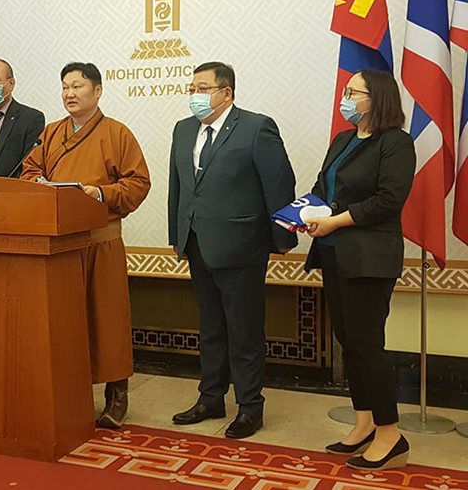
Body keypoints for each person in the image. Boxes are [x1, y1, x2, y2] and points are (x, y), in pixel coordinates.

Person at [168, 62, 297, 439]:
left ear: (226, 93)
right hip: (197, 242)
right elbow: (178, 185)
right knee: (210, 327)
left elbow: (279, 183)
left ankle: (250, 406)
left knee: (244, 331)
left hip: (242, 246)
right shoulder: (183, 129)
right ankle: (211, 398)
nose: (195, 95)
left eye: (203, 88)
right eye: (192, 88)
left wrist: (282, 238)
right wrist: (177, 234)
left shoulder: (256, 127)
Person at [21, 62, 151, 428]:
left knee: (107, 318)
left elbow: (138, 183)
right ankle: (69, 393)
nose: (70, 94)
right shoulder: (51, 133)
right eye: (65, 87)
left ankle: (116, 395)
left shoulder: (117, 133)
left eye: (77, 86)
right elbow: (29, 171)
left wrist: (101, 193)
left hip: (101, 241)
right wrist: (40, 185)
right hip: (61, 244)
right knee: (65, 321)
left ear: (97, 91)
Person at [305, 69, 415, 470]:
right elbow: (324, 189)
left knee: (367, 345)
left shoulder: (396, 143)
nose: (346, 98)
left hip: (369, 258)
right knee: (348, 342)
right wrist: (303, 213)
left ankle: (391, 434)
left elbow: (388, 200)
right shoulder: (343, 139)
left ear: (376, 98)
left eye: (354, 92)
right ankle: (364, 422)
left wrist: (335, 221)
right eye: (347, 91)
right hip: (333, 254)